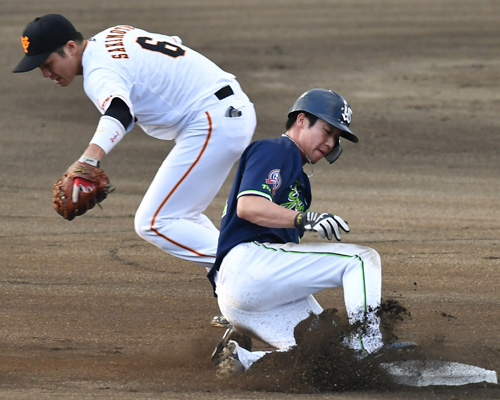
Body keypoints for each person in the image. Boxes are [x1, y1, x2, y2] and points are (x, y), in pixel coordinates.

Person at [13, 14, 256, 324]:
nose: (45, 73)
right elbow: (173, 44)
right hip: (223, 111)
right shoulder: (115, 33)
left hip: (211, 120)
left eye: (46, 63)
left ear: (71, 47)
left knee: (154, 221)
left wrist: (89, 159)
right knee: (182, 217)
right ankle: (236, 291)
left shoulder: (98, 71)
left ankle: (252, 269)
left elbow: (120, 111)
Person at [208, 88, 416, 376]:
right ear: (302, 120)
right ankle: (368, 346)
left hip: (250, 292)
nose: (330, 143)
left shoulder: (298, 180)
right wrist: (305, 219)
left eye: (336, 137)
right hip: (249, 266)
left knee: (327, 353)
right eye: (327, 131)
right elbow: (248, 206)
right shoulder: (277, 150)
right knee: (361, 260)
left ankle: (239, 359)